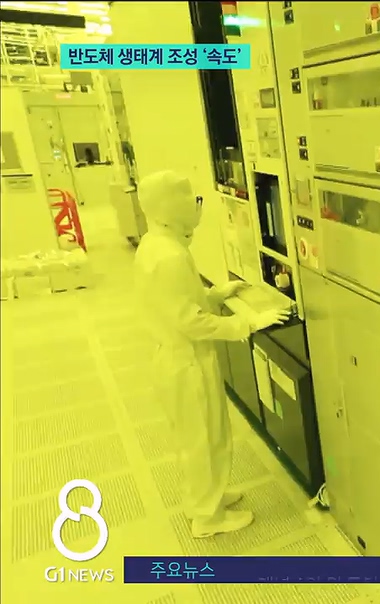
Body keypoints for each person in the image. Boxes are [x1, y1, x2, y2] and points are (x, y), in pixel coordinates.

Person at [134, 170, 290, 538]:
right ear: (168, 206)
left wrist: (217, 294)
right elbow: (192, 322)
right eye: (188, 197)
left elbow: (179, 302)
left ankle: (208, 497)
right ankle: (206, 517)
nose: (195, 204)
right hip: (185, 361)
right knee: (201, 441)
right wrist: (248, 323)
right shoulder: (169, 256)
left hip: (183, 356)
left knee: (207, 436)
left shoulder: (159, 244)